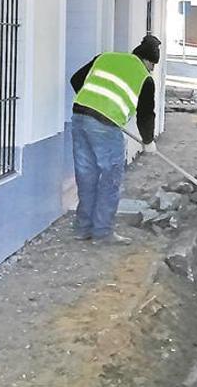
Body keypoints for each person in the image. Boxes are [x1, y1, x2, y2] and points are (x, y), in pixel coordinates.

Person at [69, 34, 161, 244]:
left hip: (79, 117)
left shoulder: (105, 58)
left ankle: (83, 229)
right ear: (148, 61)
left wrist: (93, 104)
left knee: (87, 176)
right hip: (105, 126)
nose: (151, 70)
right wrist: (148, 142)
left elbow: (76, 80)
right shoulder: (143, 77)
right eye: (152, 66)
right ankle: (102, 233)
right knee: (110, 180)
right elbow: (146, 114)